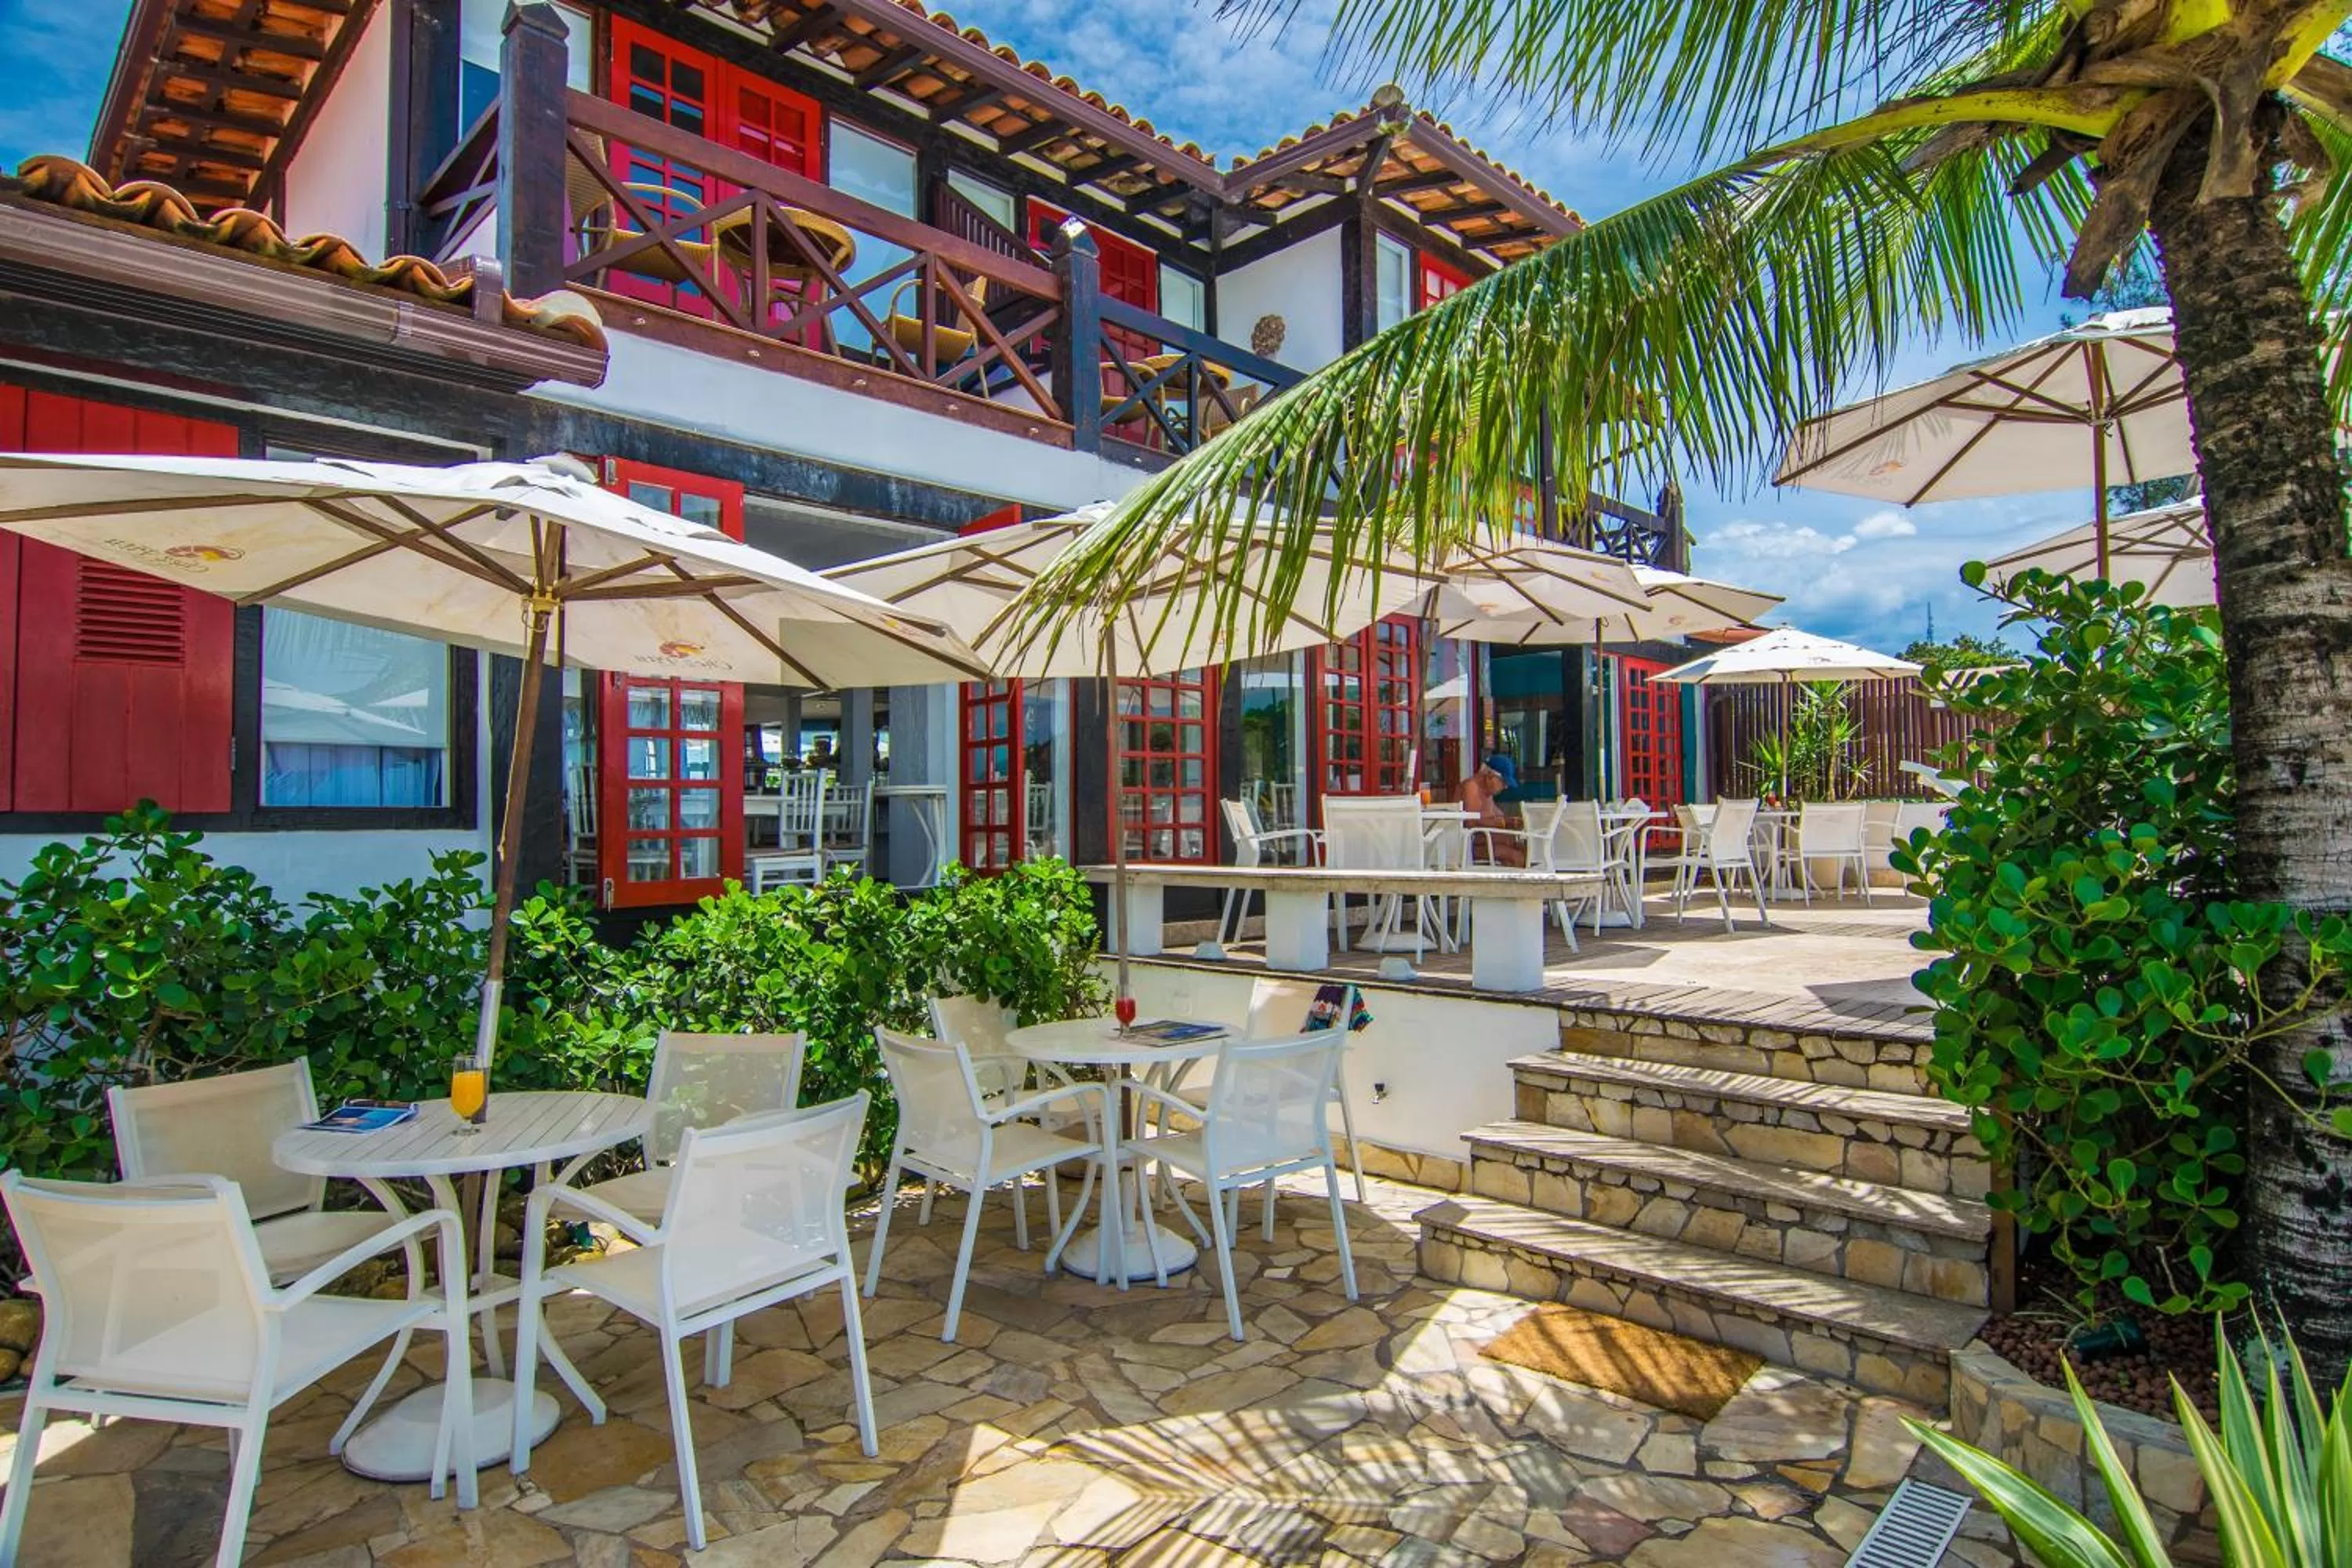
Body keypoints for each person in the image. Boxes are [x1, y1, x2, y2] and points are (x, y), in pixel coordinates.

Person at [1462, 753, 1525, 866]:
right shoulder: (1472, 787)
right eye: (1503, 782)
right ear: (1490, 775)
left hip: (1484, 842)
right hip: (1469, 847)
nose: (1505, 787)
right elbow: (1470, 822)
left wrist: (1513, 822)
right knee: (1516, 856)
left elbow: (1499, 816)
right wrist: (1503, 823)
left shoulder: (1487, 793)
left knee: (1522, 847)